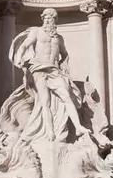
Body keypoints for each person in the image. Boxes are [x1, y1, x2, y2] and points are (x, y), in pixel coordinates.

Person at [9, 8, 90, 142]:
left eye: (51, 18)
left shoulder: (59, 38)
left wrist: (64, 66)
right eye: (46, 17)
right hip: (39, 69)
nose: (48, 20)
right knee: (44, 101)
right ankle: (50, 132)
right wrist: (19, 58)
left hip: (54, 70)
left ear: (55, 20)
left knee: (66, 96)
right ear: (43, 19)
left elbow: (64, 54)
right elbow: (24, 46)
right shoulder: (36, 32)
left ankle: (78, 127)